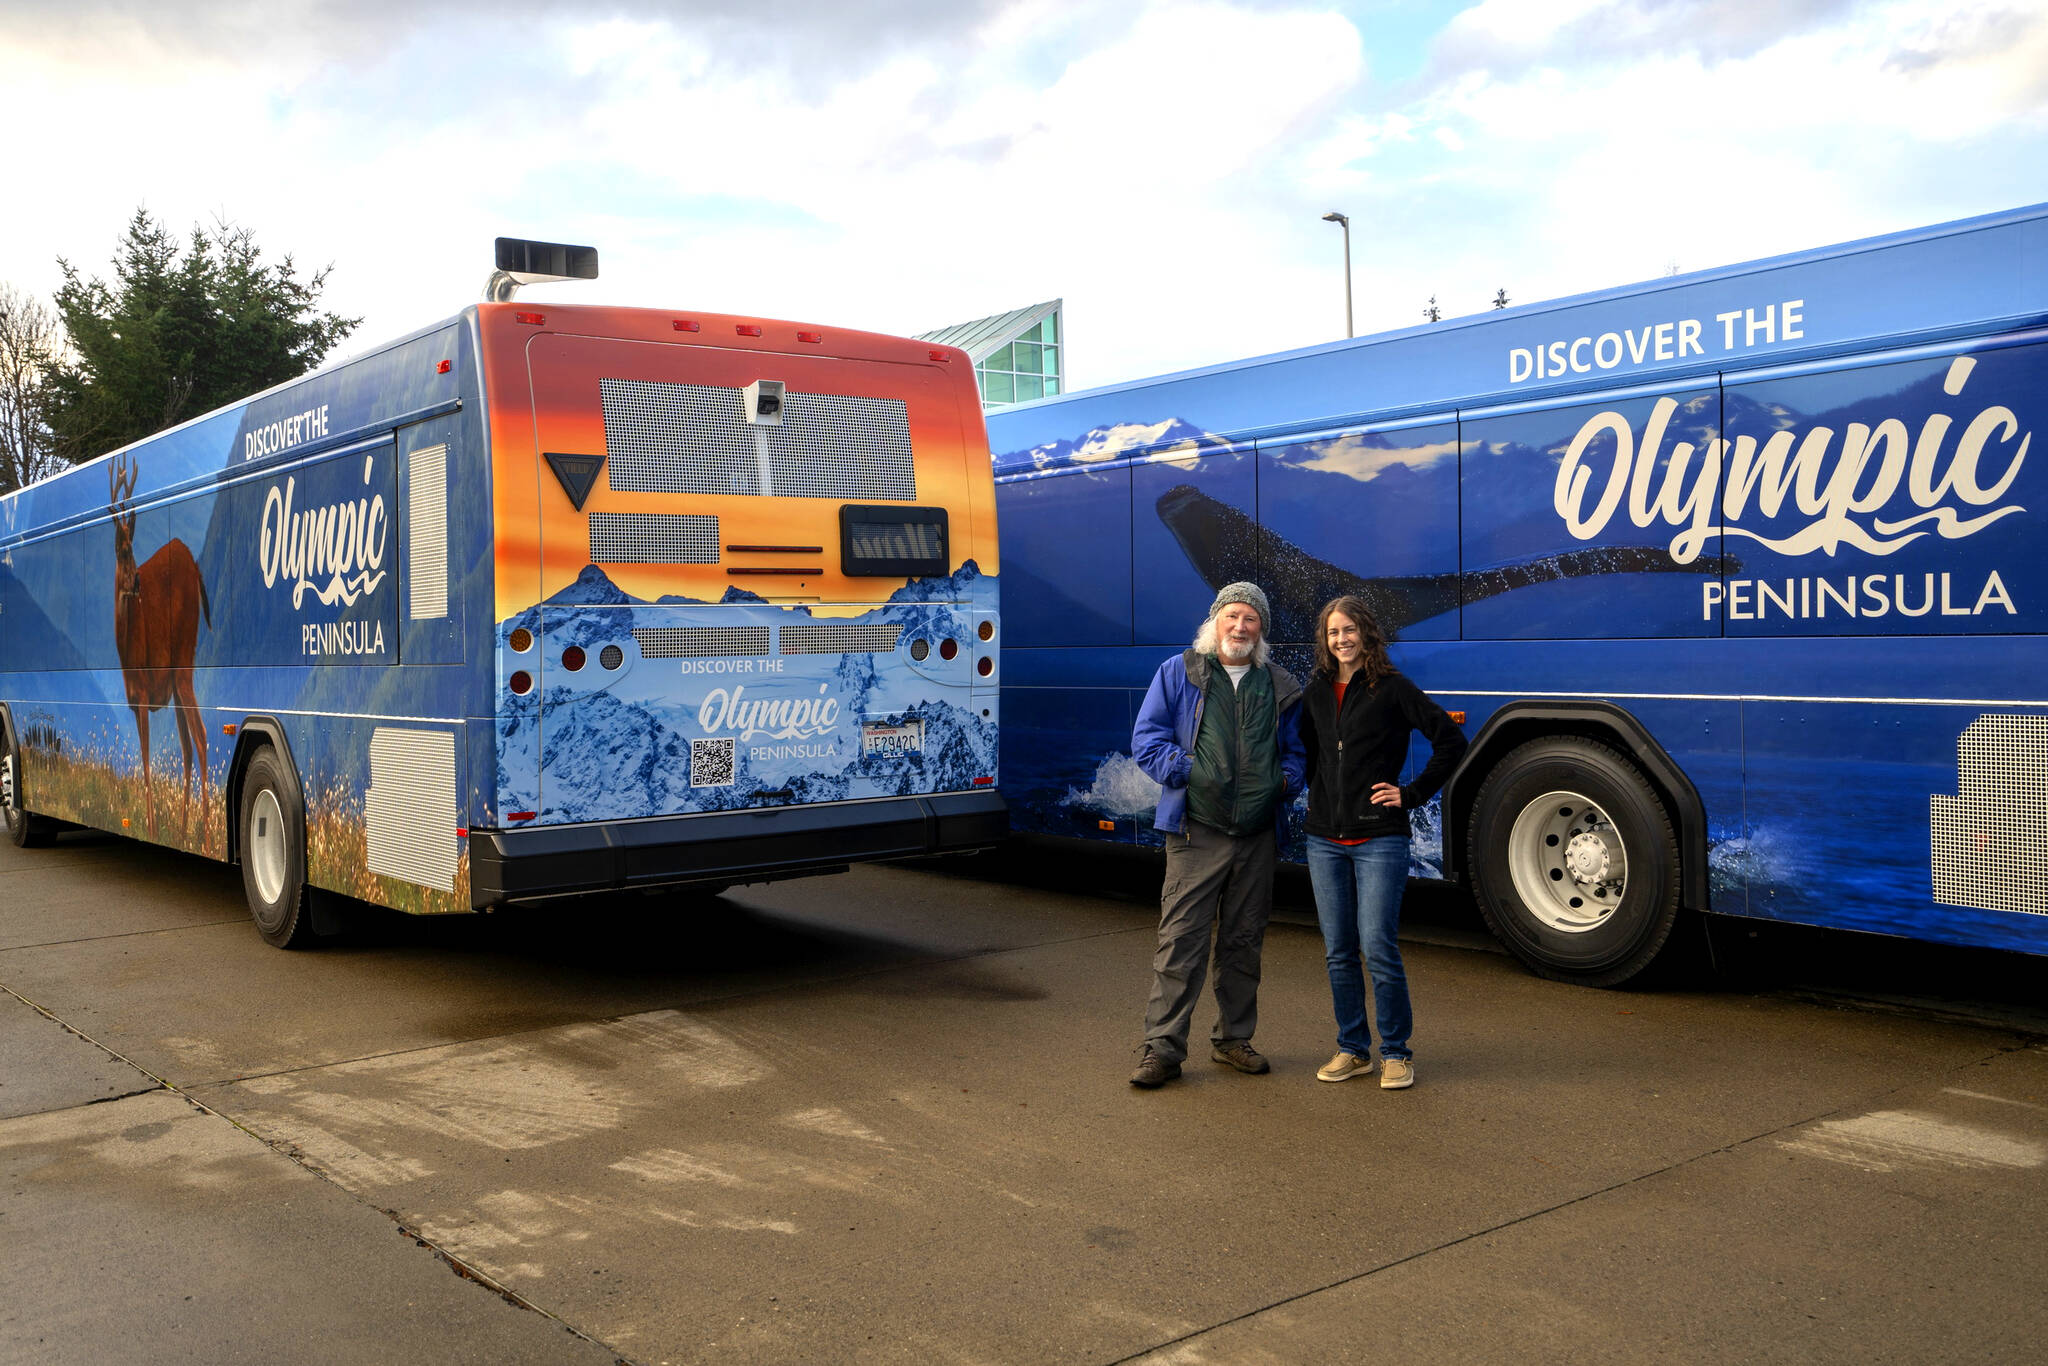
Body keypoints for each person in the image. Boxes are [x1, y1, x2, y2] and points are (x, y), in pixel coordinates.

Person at [1127, 582, 1305, 1088]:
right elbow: (1146, 740)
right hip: (1195, 832)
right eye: (1232, 616)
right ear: (1215, 622)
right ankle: (1162, 1050)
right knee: (1180, 942)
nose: (1240, 627)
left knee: (1243, 943)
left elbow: (1298, 754)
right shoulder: (1179, 672)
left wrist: (1283, 783)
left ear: (1261, 629)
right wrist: (1191, 770)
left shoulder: (1280, 684)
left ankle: (1233, 1040)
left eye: (1251, 618)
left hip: (1256, 835)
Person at [1298, 595, 1467, 1090]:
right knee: (1338, 951)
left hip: (1379, 838)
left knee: (1377, 946)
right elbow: (1307, 753)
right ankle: (1353, 1050)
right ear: (1325, 640)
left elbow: (1451, 741)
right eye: (1333, 632)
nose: (1341, 640)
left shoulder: (1393, 689)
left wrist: (1410, 794)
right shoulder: (1316, 691)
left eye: (1349, 630)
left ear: (1366, 634)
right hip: (1324, 840)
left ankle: (1395, 1052)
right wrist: (1318, 796)